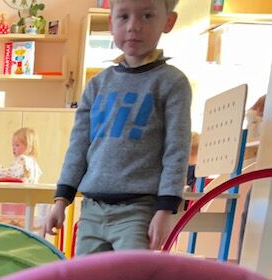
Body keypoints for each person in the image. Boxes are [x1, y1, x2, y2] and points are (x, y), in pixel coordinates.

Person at [44, 0, 191, 254]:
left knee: (131, 276)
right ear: (111, 23)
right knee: (87, 277)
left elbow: (177, 150)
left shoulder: (172, 83)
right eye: (123, 17)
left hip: (138, 210)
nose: (133, 26)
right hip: (92, 209)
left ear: (168, 22)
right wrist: (61, 200)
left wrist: (165, 209)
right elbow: (78, 146)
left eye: (147, 16)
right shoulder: (97, 85)